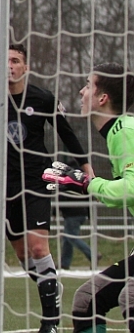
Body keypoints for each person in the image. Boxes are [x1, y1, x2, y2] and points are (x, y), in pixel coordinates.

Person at [42, 62, 134, 332]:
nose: (81, 92)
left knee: (130, 297)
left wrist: (87, 184)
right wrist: (85, 185)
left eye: (87, 86)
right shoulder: (118, 132)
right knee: (87, 301)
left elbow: (130, 189)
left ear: (102, 98)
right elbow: (120, 195)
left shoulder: (125, 131)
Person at [6, 43, 91, 333]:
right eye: (6, 61)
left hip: (36, 180)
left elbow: (65, 131)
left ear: (25, 67)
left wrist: (85, 164)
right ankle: (52, 283)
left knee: (38, 247)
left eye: (15, 60)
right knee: (23, 256)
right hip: (6, 185)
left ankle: (50, 322)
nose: (10, 66)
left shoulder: (42, 98)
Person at [56, 158, 94, 270]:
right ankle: (65, 263)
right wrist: (89, 214)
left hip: (72, 214)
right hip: (81, 213)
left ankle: (93, 255)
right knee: (67, 239)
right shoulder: (83, 180)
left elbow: (61, 196)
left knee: (71, 237)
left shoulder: (67, 180)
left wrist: (55, 211)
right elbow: (88, 198)